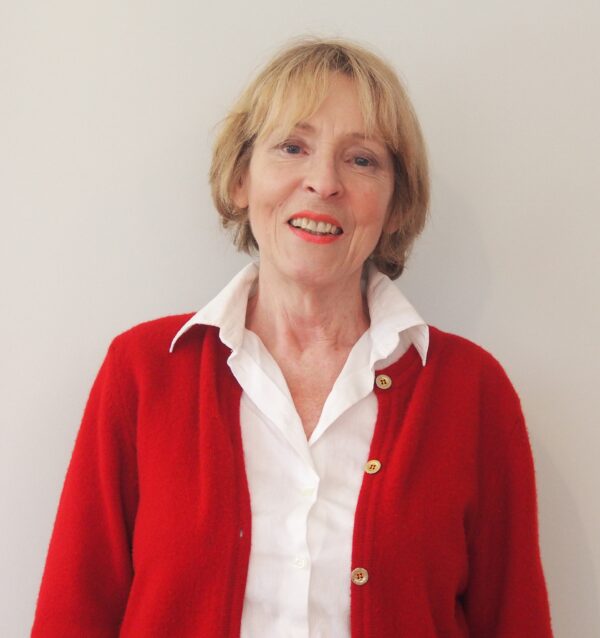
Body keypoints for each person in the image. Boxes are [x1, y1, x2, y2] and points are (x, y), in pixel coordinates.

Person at [32, 38, 553, 637]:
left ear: (396, 205)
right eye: (292, 147)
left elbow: (514, 621)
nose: (323, 182)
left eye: (361, 160)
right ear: (240, 180)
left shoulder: (472, 391)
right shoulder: (144, 371)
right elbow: (73, 614)